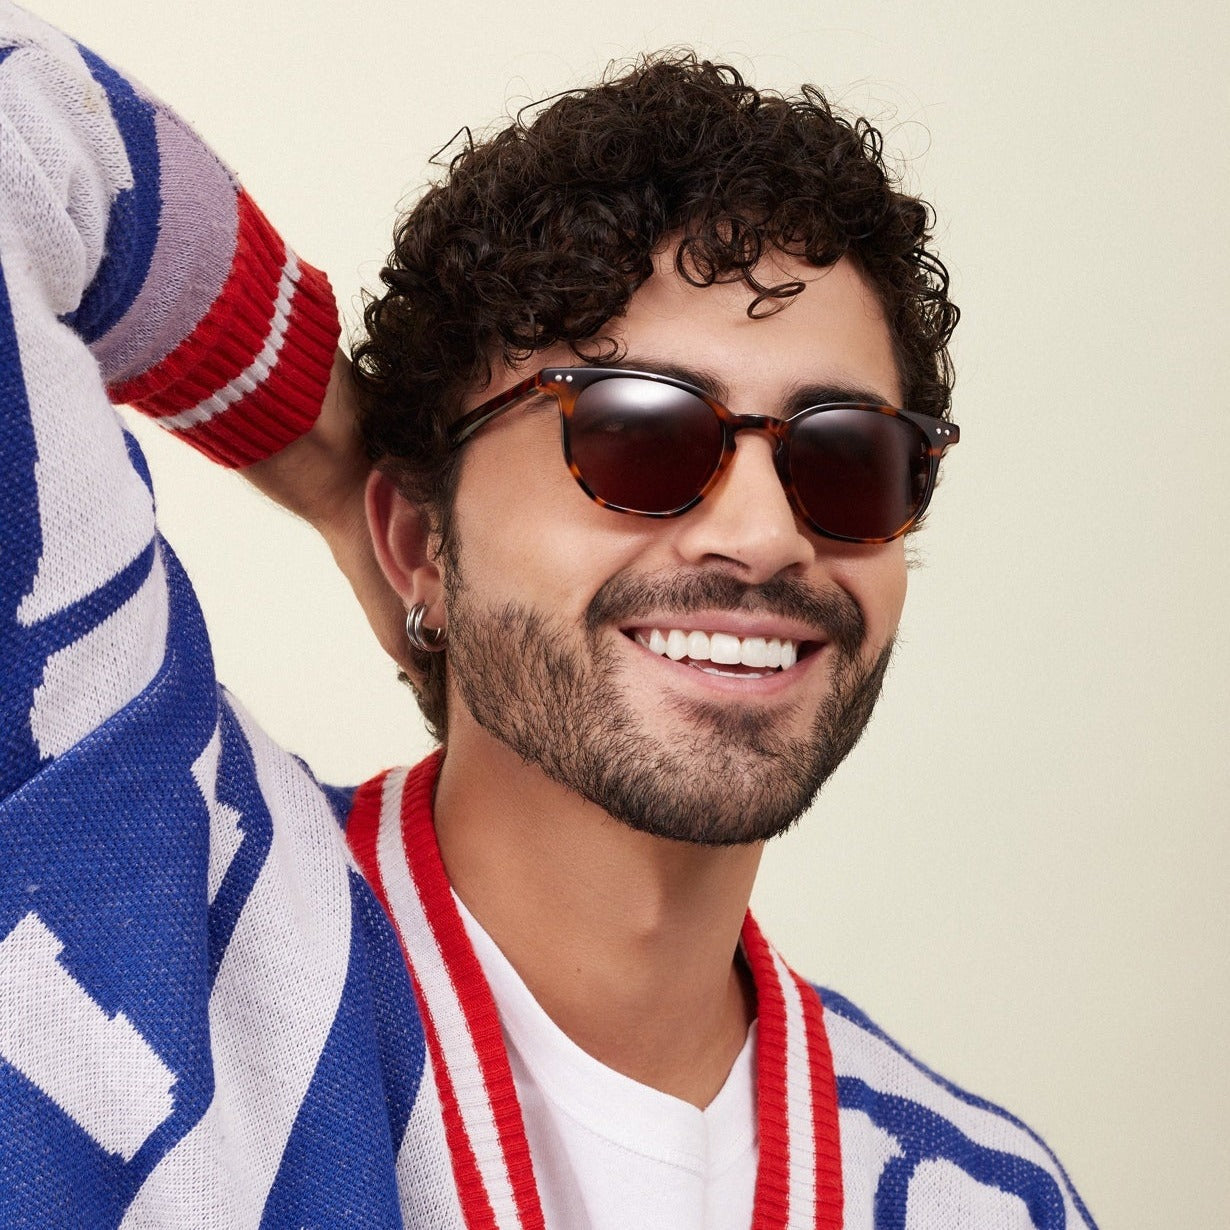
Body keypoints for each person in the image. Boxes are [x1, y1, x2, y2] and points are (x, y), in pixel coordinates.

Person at [0, 3, 1097, 1227]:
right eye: (639, 432)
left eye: (845, 459)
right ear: (419, 541)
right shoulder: (151, 913)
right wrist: (323, 456)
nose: (765, 535)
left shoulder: (988, 1200)